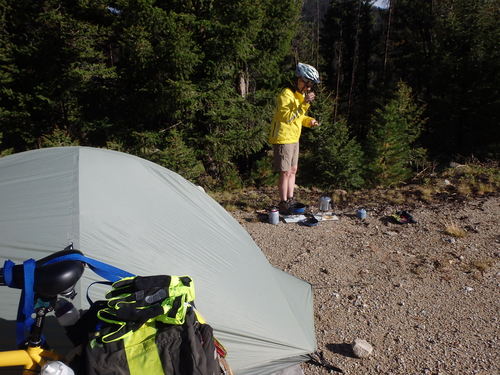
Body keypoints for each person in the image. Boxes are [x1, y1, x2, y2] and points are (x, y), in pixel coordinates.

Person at [268, 62, 320, 214]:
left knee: (293, 169)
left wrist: (309, 121)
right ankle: (283, 202)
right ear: (300, 79)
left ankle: (290, 199)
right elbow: (287, 117)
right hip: (283, 138)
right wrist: (304, 104)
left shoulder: (300, 96)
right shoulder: (286, 94)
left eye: (311, 85)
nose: (309, 88)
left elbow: (299, 117)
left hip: (294, 138)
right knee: (284, 172)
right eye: (308, 84)